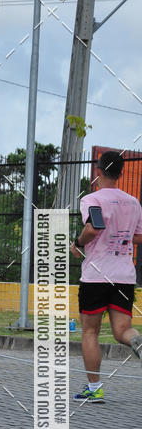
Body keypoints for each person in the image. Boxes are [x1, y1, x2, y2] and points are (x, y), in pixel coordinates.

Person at [70, 150, 142, 401]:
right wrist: (121, 233)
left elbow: (94, 227)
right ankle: (137, 340)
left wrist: (77, 243)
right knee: (122, 330)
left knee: (90, 332)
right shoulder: (133, 202)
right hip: (124, 275)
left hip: (96, 276)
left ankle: (94, 389)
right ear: (121, 173)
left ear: (98, 171)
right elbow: (139, 236)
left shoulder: (93, 199)